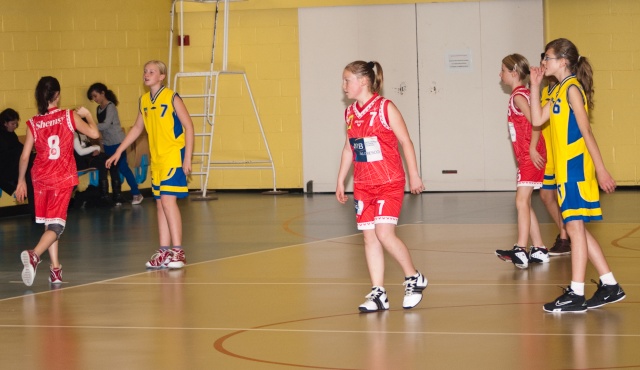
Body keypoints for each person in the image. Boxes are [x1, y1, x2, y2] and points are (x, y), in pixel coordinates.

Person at [530, 38, 625, 312]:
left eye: (546, 57)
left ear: (562, 61)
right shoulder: (558, 90)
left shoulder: (572, 89)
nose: (543, 61)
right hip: (565, 172)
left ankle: (576, 292)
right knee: (577, 229)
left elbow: (586, 131)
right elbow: (537, 120)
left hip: (576, 170)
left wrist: (601, 168)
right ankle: (609, 285)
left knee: (574, 229)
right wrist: (535, 86)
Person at [336, 60, 427, 313]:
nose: (344, 85)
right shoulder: (350, 112)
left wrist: (414, 176)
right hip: (363, 184)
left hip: (389, 181)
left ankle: (413, 278)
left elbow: (405, 142)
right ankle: (378, 293)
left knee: (384, 233)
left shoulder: (385, 108)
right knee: (369, 237)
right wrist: (341, 179)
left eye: (347, 80)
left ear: (363, 81)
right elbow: (348, 148)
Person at [106, 60, 194, 270]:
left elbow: (189, 126)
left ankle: (178, 252)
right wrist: (120, 150)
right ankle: (164, 252)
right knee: (159, 204)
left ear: (161, 76)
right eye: (145, 71)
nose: (147, 74)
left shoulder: (171, 97)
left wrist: (188, 157)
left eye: (152, 71)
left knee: (168, 202)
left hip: (174, 155)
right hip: (158, 160)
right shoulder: (144, 100)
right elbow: (137, 128)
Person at [16, 76, 99, 286]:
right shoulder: (68, 116)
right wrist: (88, 114)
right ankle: (35, 255)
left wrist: (20, 182)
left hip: (40, 177)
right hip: (61, 176)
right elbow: (94, 133)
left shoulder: (33, 122)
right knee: (57, 227)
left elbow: (25, 156)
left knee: (49, 224)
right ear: (57, 95)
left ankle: (55, 269)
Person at [494, 54, 550, 269]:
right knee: (525, 203)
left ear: (514, 73)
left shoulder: (519, 96)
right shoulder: (521, 94)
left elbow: (536, 122)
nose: (500, 74)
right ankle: (539, 248)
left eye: (503, 70)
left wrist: (533, 148)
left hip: (530, 155)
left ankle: (520, 249)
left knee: (520, 202)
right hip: (526, 154)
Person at [87, 82, 143, 206]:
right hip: (107, 143)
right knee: (112, 170)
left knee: (123, 168)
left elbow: (106, 125)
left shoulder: (111, 106)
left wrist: (89, 126)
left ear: (103, 93)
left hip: (118, 142)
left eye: (96, 96)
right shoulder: (98, 109)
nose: (95, 99)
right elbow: (101, 129)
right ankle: (117, 196)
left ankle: (136, 193)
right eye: (93, 98)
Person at [538, 68, 572, 256]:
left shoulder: (566, 90)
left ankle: (566, 237)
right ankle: (566, 234)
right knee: (546, 197)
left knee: (561, 198)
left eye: (547, 60)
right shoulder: (545, 92)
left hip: (561, 154)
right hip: (546, 154)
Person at [73, 130, 117, 207]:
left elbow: (88, 148)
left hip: (88, 157)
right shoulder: (74, 134)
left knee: (110, 160)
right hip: (80, 161)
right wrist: (96, 147)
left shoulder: (85, 133)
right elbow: (80, 151)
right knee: (102, 164)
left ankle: (116, 194)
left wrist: (95, 149)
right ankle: (104, 195)